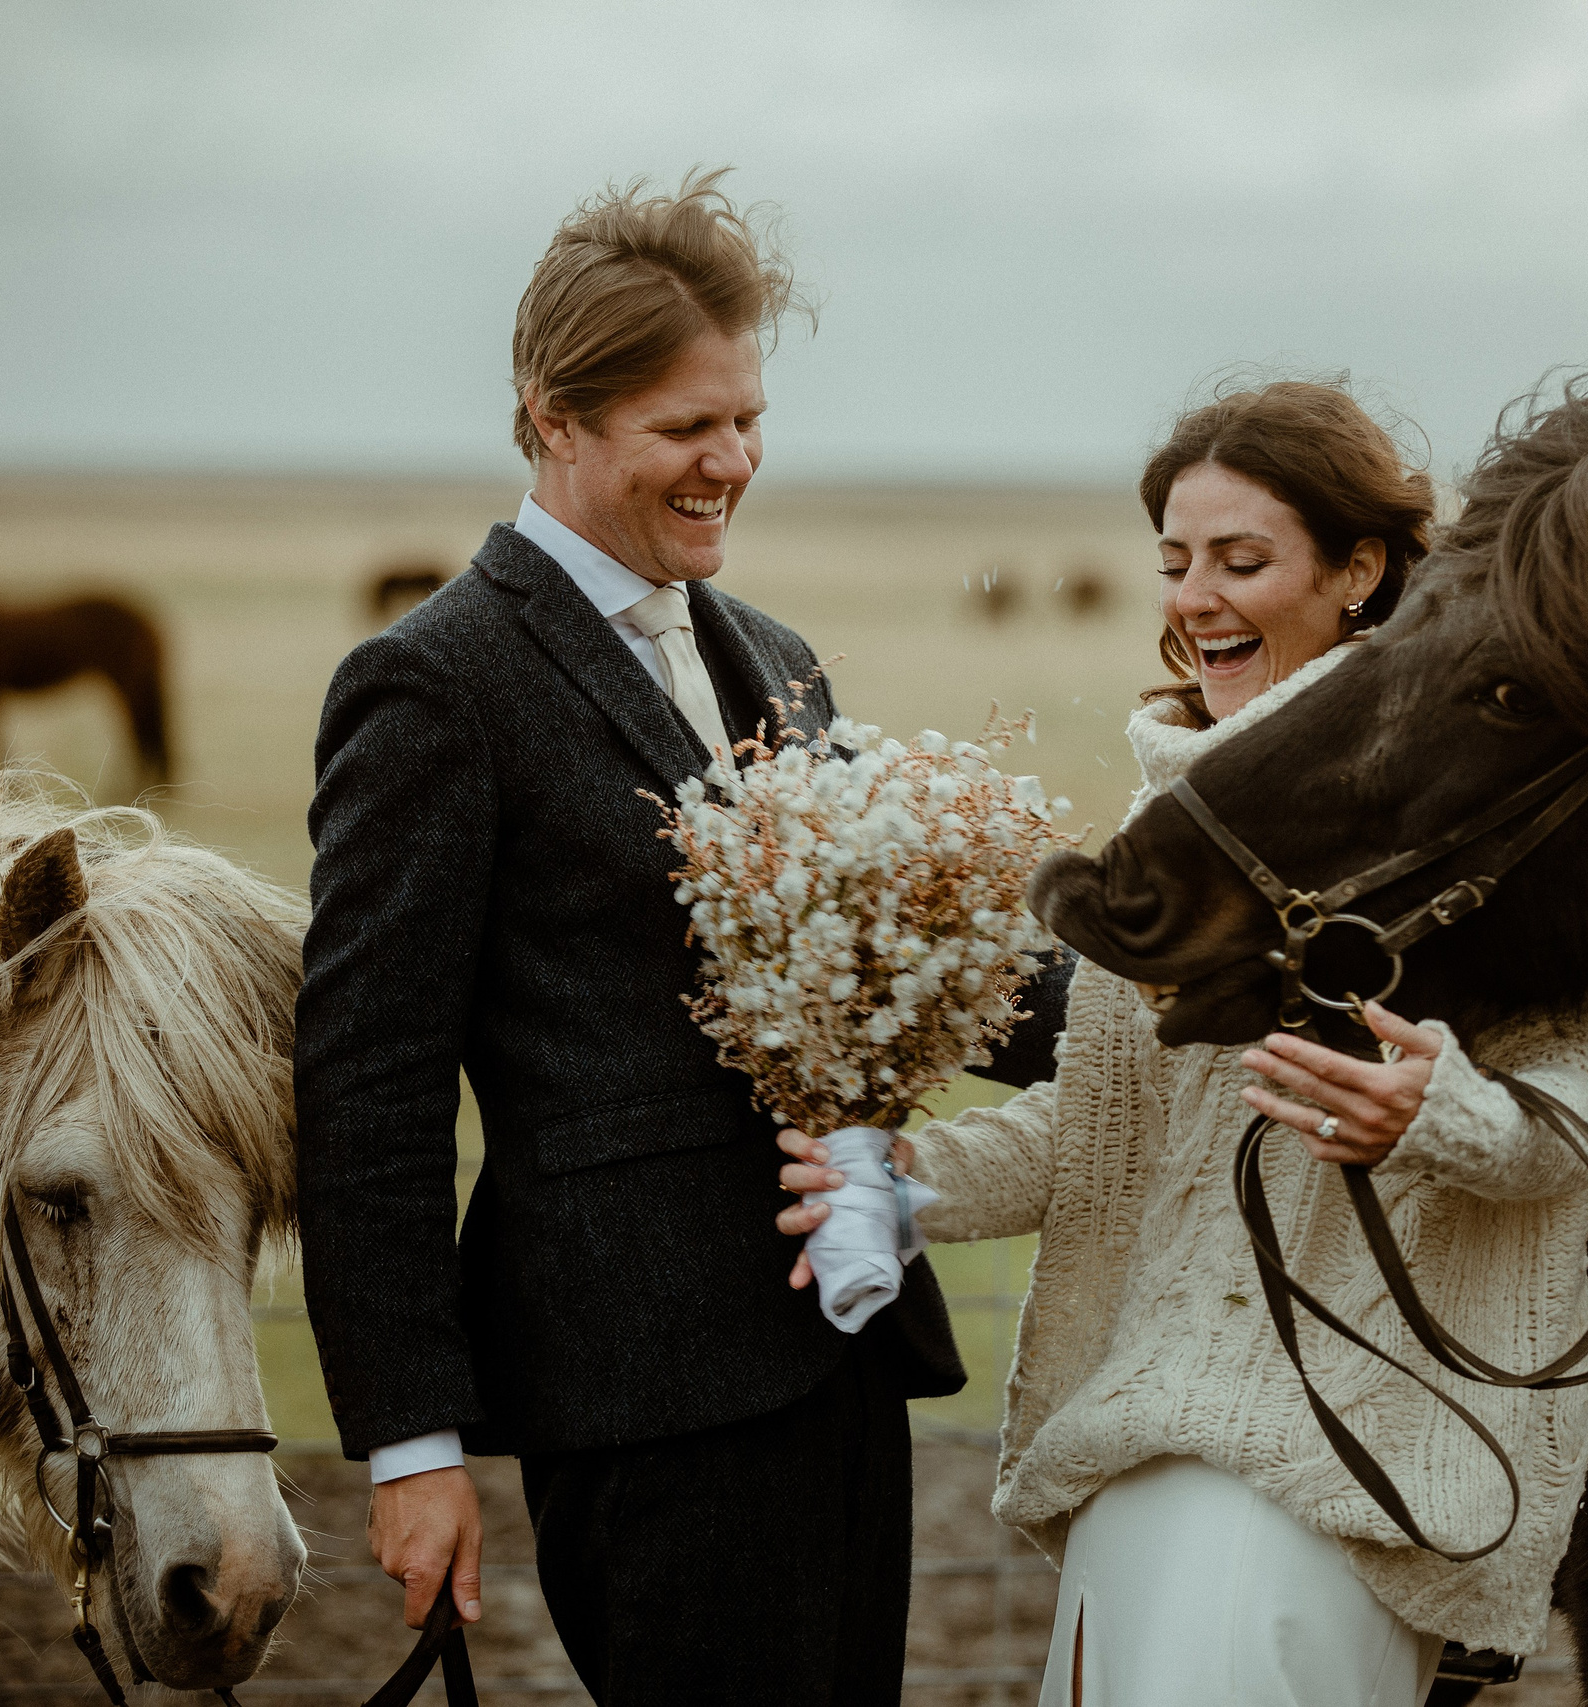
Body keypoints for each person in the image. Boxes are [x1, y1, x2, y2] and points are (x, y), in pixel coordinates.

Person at [294, 170, 1066, 1705]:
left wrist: (1206, 991)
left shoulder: (773, 657)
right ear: (554, 419)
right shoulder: (433, 686)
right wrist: (411, 1441)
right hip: (636, 1389)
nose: (732, 463)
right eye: (685, 429)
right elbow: (367, 1092)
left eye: (748, 420)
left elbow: (903, 956)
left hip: (839, 1348)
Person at [778, 381, 1588, 1707]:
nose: (1196, 596)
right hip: (1144, 1424)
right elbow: (1103, 1122)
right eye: (1176, 562)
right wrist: (902, 1185)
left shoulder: (1466, 805)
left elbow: (1578, 1109)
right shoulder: (1168, 816)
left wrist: (1437, 1114)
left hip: (1354, 1447)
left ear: (1358, 570)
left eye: (1242, 560)